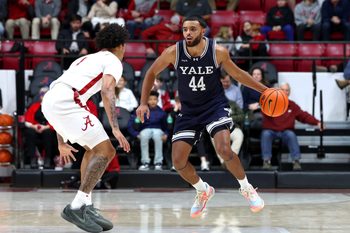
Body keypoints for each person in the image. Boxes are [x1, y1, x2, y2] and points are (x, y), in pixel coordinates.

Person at [136, 16, 268, 218]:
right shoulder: (173, 52)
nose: (188, 33)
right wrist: (144, 102)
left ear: (203, 31)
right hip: (189, 111)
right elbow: (150, 73)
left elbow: (239, 75)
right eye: (185, 29)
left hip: (214, 107)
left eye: (192, 29)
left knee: (224, 149)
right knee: (178, 162)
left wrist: (265, 90)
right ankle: (202, 190)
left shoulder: (218, 51)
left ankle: (246, 187)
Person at [41, 24, 130, 232]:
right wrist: (115, 129)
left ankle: (85, 205)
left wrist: (61, 141)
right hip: (68, 102)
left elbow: (57, 101)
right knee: (107, 150)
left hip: (53, 100)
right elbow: (108, 90)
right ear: (121, 45)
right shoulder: (113, 60)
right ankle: (75, 207)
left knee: (93, 149)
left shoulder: (86, 58)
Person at [261, 83, 323, 170]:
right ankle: (266, 161)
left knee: (291, 135)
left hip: (285, 131)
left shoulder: (292, 105)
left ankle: (296, 161)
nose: (285, 92)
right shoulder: (271, 102)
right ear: (278, 91)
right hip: (271, 130)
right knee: (266, 134)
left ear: (289, 92)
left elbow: (303, 116)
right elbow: (264, 112)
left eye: (287, 90)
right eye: (283, 90)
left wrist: (317, 122)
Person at [24, 87, 58, 169]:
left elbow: (57, 122)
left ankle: (48, 159)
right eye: (42, 94)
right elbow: (27, 121)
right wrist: (34, 126)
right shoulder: (34, 106)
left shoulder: (54, 107)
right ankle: (33, 159)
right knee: (29, 132)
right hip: (35, 128)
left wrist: (46, 127)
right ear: (40, 96)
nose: (44, 96)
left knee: (48, 133)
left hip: (48, 129)